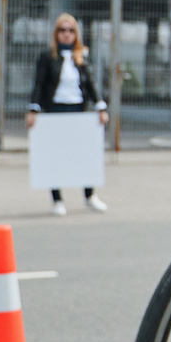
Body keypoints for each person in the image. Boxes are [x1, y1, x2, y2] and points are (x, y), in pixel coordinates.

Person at [27, 13, 108, 214]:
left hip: (78, 110)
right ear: (56, 34)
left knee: (83, 153)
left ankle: (90, 195)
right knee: (56, 154)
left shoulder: (81, 57)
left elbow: (90, 84)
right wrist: (33, 109)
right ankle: (57, 200)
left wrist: (100, 106)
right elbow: (38, 84)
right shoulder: (47, 58)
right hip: (56, 109)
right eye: (62, 30)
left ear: (75, 34)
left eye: (70, 31)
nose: (66, 34)